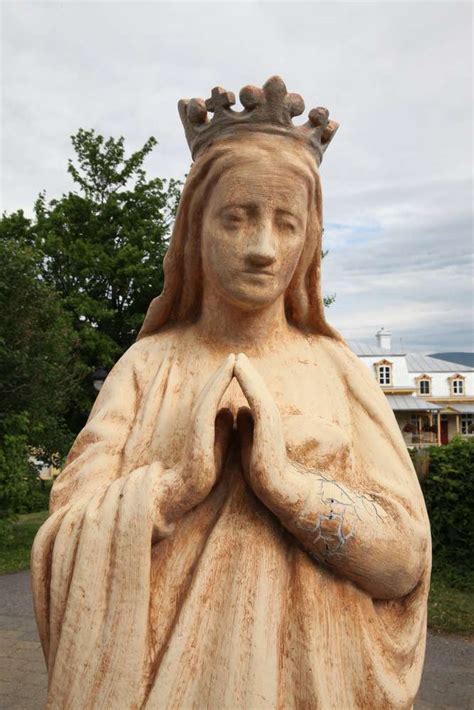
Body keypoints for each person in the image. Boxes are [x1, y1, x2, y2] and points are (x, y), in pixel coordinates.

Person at [32, 77, 431, 709]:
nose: (262, 249)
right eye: (235, 219)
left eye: (286, 223)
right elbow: (63, 545)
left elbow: (404, 564)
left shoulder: (338, 371)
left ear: (309, 242)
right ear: (195, 229)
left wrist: (289, 488)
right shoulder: (145, 367)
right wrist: (175, 485)